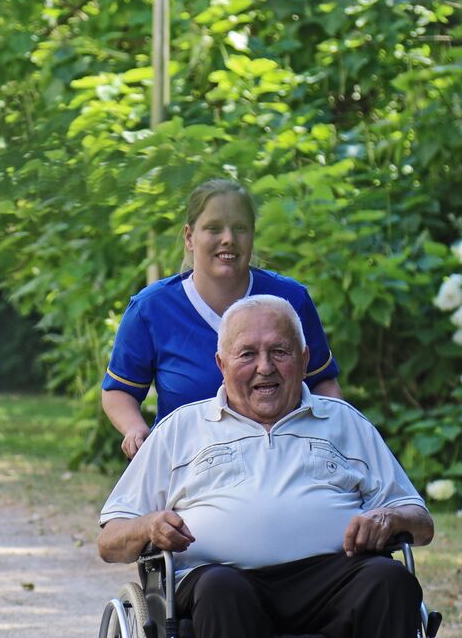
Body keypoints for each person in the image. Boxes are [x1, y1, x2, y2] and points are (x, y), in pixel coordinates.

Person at [97, 294, 435, 638]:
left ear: (304, 358)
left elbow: (420, 520)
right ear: (221, 364)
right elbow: (111, 538)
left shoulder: (342, 423)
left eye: (279, 351)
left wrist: (388, 519)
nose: (264, 367)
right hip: (222, 584)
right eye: (248, 353)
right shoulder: (183, 429)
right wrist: (150, 527)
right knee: (225, 591)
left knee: (391, 582)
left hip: (330, 578)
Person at [101, 178, 343, 459]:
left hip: (284, 463)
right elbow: (118, 391)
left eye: (240, 228)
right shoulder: (151, 309)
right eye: (214, 228)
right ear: (190, 237)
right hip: (185, 466)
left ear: (252, 236)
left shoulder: (290, 300)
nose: (228, 238)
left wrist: (333, 436)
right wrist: (134, 429)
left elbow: (323, 384)